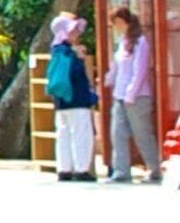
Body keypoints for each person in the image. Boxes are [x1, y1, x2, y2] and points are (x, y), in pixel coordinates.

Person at [107, 10, 161, 184]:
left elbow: (140, 70)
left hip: (137, 96)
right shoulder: (121, 42)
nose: (115, 27)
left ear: (125, 22)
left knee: (142, 134)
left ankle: (154, 169)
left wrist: (131, 92)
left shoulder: (140, 42)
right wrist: (108, 80)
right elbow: (116, 68)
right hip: (120, 95)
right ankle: (121, 171)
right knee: (117, 133)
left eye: (117, 23)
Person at [46, 13, 100, 182]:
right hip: (77, 98)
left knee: (63, 134)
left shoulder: (56, 51)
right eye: (73, 30)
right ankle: (81, 169)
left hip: (61, 100)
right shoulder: (70, 54)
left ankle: (64, 168)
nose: (76, 33)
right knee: (81, 133)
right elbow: (77, 76)